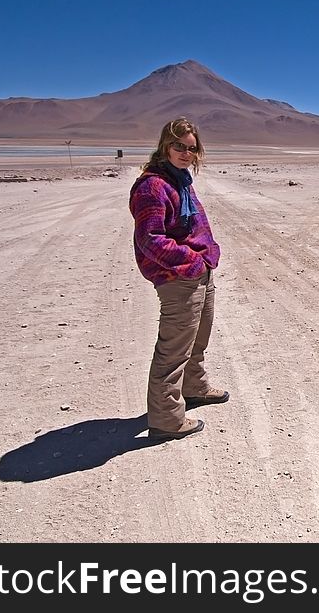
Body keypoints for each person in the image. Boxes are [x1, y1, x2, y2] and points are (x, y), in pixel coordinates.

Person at [129, 117, 228, 440]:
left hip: (199, 270)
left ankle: (194, 387)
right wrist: (189, 262)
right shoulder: (152, 186)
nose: (186, 153)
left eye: (191, 148)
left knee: (197, 339)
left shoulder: (181, 180)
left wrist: (207, 254)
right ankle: (166, 419)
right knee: (173, 349)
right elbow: (150, 238)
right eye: (178, 147)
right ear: (164, 147)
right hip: (177, 277)